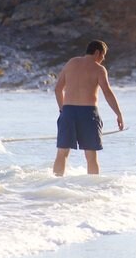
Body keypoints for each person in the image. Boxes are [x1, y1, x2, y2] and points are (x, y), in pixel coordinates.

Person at [53, 40, 124, 176]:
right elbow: (107, 93)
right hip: (88, 114)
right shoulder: (99, 69)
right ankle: (92, 189)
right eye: (103, 55)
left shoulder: (71, 63)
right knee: (91, 156)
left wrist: (63, 110)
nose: (103, 59)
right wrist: (118, 114)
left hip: (68, 112)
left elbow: (57, 89)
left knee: (62, 153)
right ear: (97, 52)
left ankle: (55, 186)